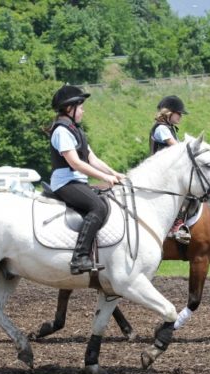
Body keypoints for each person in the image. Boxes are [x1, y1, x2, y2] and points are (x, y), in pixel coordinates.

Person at [48, 85, 125, 275]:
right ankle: (80, 257)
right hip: (65, 183)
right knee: (98, 207)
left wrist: (115, 174)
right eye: (80, 106)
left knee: (108, 201)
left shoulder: (75, 130)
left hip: (77, 181)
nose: (83, 110)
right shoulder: (61, 131)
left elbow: (92, 159)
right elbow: (75, 163)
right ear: (69, 108)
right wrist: (105, 177)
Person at [149, 95, 192, 244]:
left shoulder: (170, 128)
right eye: (179, 113)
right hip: (161, 173)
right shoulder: (161, 129)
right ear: (169, 113)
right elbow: (176, 147)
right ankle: (176, 226)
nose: (180, 116)